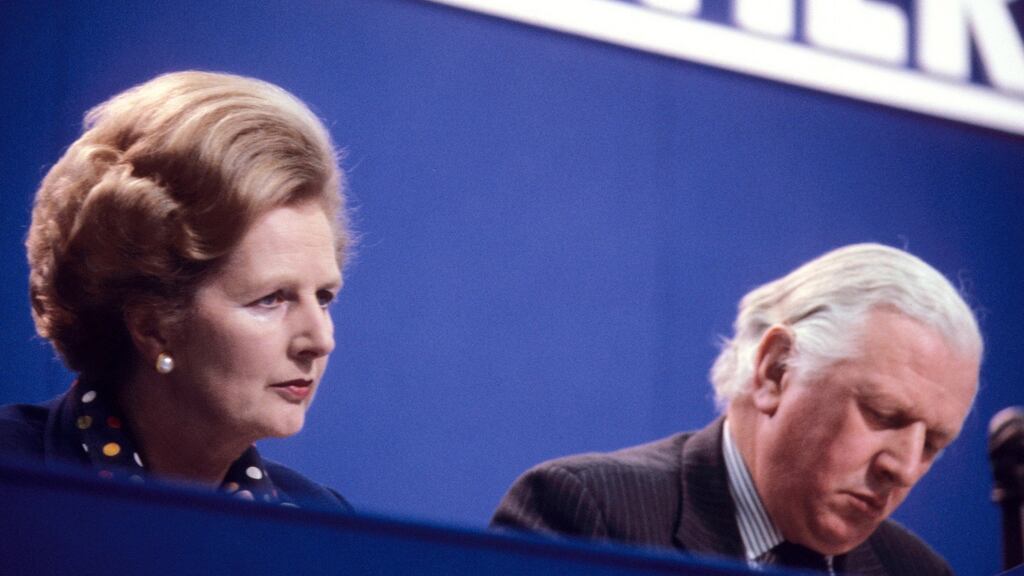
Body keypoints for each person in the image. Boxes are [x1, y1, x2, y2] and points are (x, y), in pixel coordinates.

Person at [492, 244, 981, 575]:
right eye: (883, 413)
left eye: (933, 444)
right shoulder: (589, 519)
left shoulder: (915, 571)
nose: (904, 468)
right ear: (776, 370)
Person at [0, 71, 352, 510]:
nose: (320, 341)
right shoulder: (11, 481)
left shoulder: (319, 519)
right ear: (154, 326)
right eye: (271, 298)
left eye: (323, 297)